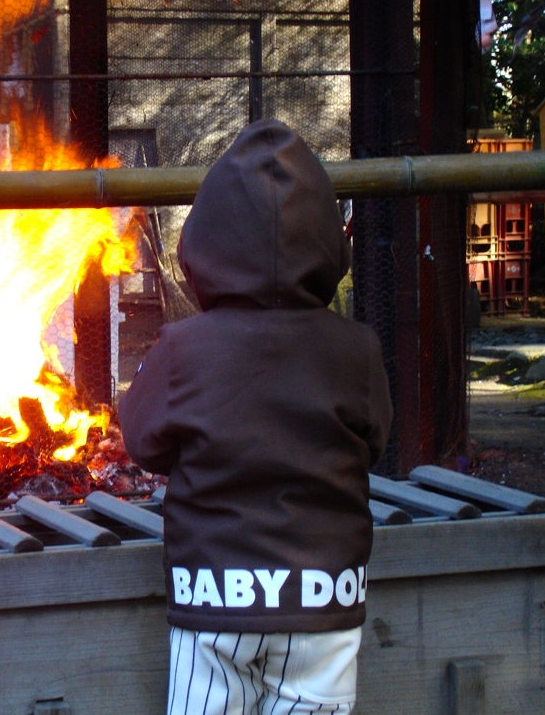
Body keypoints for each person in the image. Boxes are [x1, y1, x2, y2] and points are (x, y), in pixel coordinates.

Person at [118, 119, 392, 715]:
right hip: (324, 600)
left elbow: (141, 441)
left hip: (214, 600)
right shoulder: (357, 348)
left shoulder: (182, 348)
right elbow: (374, 442)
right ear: (329, 243)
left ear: (204, 244)